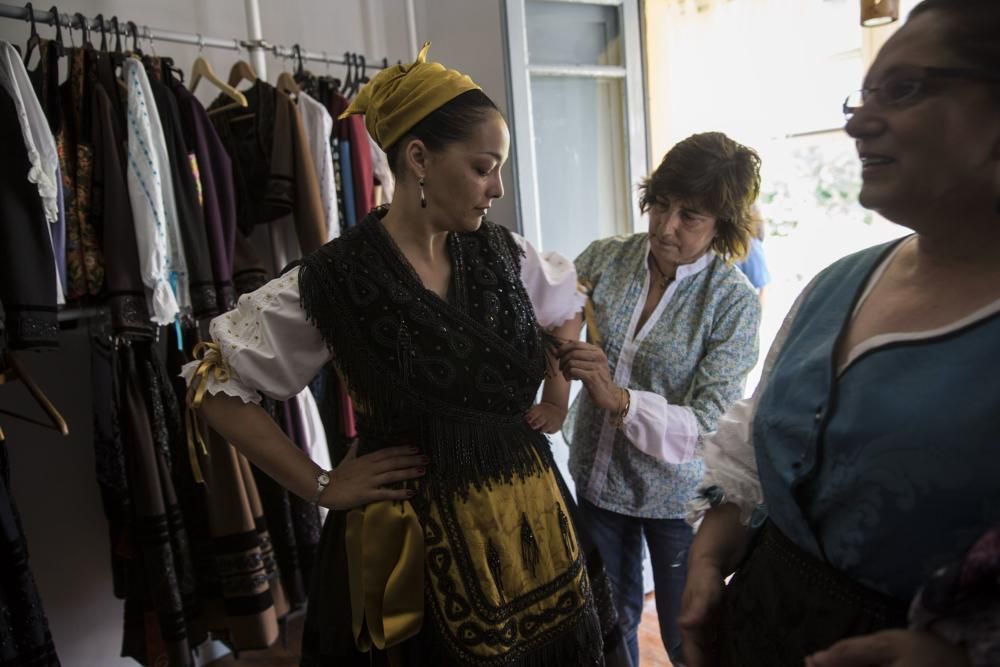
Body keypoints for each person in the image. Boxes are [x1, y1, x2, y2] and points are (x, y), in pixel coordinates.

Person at [184, 44, 619, 666]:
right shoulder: (331, 281)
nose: (497, 187)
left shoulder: (506, 253)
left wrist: (556, 399)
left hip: (536, 528)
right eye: (482, 167)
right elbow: (212, 385)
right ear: (419, 158)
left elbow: (564, 308)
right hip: (412, 555)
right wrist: (322, 484)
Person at [679, 2, 1000, 665]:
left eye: (904, 89)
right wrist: (711, 557)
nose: (857, 122)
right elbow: (753, 446)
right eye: (862, 93)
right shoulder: (839, 282)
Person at [558, 131, 763, 666]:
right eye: (662, 205)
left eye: (690, 216)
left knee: (684, 635)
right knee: (610, 622)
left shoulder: (732, 303)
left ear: (722, 225)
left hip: (676, 500)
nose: (667, 227)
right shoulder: (606, 259)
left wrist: (618, 399)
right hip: (599, 479)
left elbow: (710, 424)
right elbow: (551, 312)